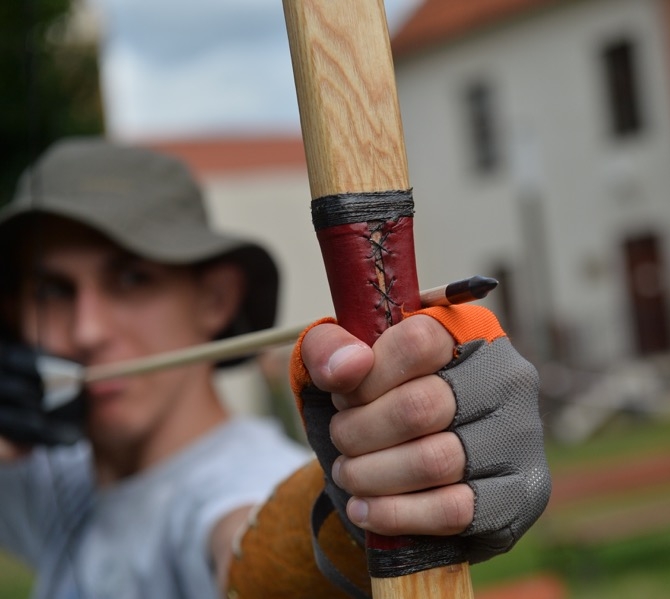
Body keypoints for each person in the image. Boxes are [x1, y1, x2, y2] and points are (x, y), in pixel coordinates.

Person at [0, 138, 551, 598]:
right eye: (52, 290)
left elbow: (249, 559)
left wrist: (355, 509)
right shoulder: (59, 475)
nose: (86, 331)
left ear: (215, 298)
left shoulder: (237, 484)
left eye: (131, 279)